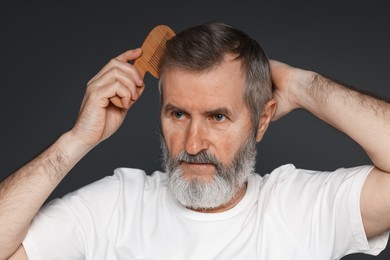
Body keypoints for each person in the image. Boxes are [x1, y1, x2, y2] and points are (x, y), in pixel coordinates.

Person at [1, 22, 389, 260]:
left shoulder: (305, 208)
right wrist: (75, 141)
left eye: (217, 117)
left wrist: (305, 87)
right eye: (178, 114)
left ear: (262, 120)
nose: (192, 143)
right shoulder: (113, 205)